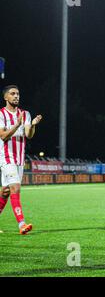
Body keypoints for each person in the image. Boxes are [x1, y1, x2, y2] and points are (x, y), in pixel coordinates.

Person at [0, 85, 42, 234]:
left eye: (18, 94)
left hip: (19, 159)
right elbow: (3, 136)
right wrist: (16, 124)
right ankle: (21, 224)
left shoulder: (25, 114)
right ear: (6, 97)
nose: (16, 96)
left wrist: (33, 126)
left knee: (5, 191)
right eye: (12, 94)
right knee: (15, 188)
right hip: (6, 157)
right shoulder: (1, 114)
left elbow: (28, 135)